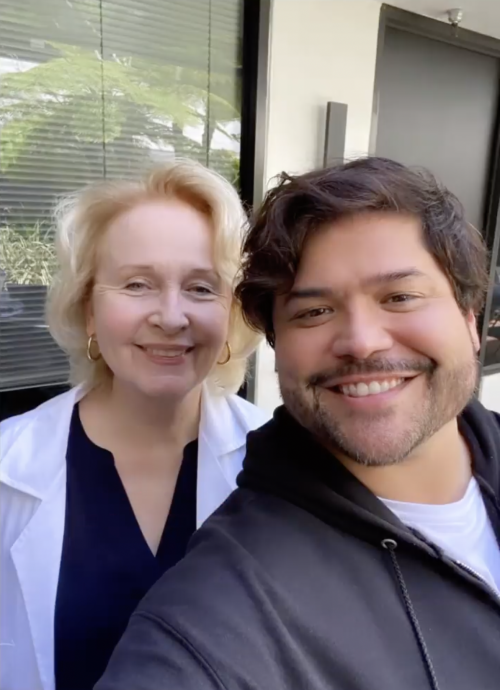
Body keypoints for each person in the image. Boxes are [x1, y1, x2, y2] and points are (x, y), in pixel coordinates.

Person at [96, 157, 500, 690]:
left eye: (399, 297)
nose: (361, 340)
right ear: (278, 347)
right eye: (313, 312)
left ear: (471, 320)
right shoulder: (222, 609)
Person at [0, 160, 269, 690]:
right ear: (88, 309)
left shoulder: (279, 467)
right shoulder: (8, 468)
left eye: (200, 287)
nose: (171, 316)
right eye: (138, 284)